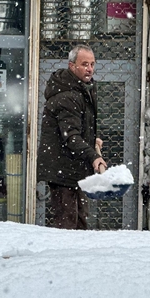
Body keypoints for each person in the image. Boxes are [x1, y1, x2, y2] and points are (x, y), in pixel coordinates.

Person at [37, 44, 106, 230]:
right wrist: (94, 156)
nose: (89, 69)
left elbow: (80, 126)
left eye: (92, 64)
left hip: (76, 169)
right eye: (84, 64)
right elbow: (71, 136)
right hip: (63, 170)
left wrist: (93, 139)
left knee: (80, 221)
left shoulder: (83, 90)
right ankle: (63, 258)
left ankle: (78, 257)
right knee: (67, 224)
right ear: (71, 65)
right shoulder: (67, 96)